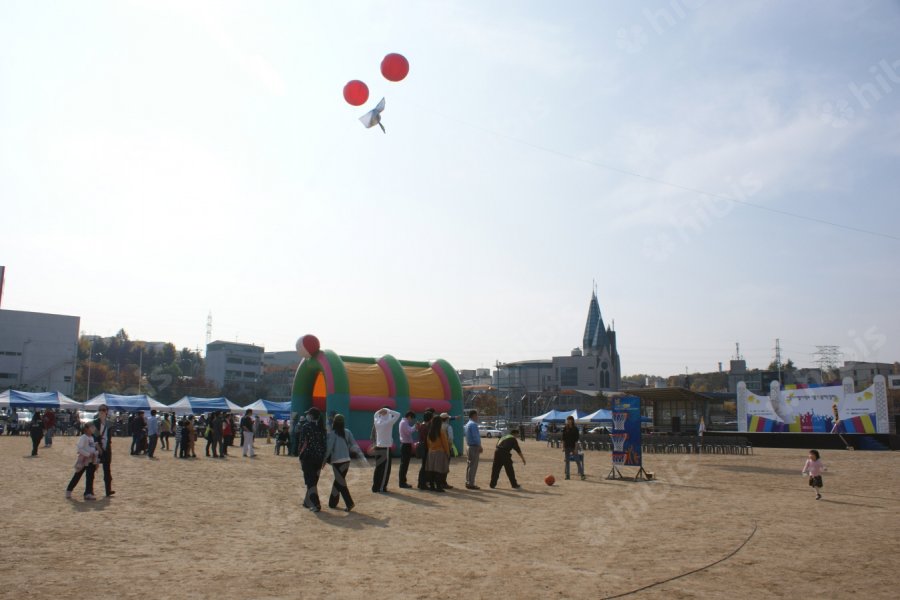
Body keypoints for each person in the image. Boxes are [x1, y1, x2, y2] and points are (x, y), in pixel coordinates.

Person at [324, 413, 362, 511]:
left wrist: (324, 461)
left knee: (340, 482)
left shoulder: (332, 433)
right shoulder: (348, 432)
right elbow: (353, 444)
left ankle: (349, 503)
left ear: (334, 422)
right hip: (346, 461)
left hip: (336, 461)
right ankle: (332, 503)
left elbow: (329, 449)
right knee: (338, 482)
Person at [298, 407, 327, 512]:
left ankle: (316, 504)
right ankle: (307, 502)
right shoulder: (322, 428)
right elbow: (324, 445)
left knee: (310, 482)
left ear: (311, 416)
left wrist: (300, 456)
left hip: (308, 457)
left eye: (308, 414)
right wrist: (323, 459)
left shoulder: (306, 427)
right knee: (313, 481)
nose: (307, 416)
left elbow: (302, 443)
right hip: (319, 458)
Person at [66, 421, 99, 500]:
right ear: (86, 429)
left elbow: (92, 447)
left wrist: (95, 453)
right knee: (77, 475)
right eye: (91, 428)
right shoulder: (83, 437)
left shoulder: (92, 438)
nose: (93, 430)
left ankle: (88, 493)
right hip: (83, 459)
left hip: (91, 460)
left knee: (90, 476)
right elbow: (79, 448)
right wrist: (88, 454)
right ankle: (69, 490)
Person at [370, 407, 400, 493]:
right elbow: (398, 414)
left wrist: (380, 411)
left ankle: (375, 487)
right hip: (385, 448)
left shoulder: (377, 422)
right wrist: (388, 410)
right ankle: (382, 487)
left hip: (378, 446)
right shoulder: (388, 422)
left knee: (378, 468)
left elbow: (375, 414)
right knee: (385, 469)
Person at [92, 405, 115, 497]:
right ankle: (90, 491)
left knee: (107, 470)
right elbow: (94, 437)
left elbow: (109, 436)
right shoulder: (93, 423)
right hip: (97, 449)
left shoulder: (109, 423)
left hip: (107, 449)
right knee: (91, 471)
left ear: (106, 411)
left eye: (103, 410)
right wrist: (98, 447)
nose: (101, 411)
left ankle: (108, 490)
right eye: (100, 410)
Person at [424, 413, 450, 492]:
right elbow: (445, 443)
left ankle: (432, 486)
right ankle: (438, 486)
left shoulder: (430, 431)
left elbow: (428, 442)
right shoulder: (441, 431)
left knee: (431, 470)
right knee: (439, 470)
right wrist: (447, 452)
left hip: (431, 452)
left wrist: (430, 449)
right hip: (439, 452)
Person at [562, 415, 585, 480]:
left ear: (572, 421)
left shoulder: (575, 429)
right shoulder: (565, 428)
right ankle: (567, 476)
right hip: (567, 447)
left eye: (570, 420)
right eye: (568, 420)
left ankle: (582, 475)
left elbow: (576, 440)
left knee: (577, 461)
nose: (568, 421)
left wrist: (575, 449)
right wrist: (563, 447)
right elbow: (563, 438)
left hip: (573, 447)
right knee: (567, 462)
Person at [464, 410, 483, 489]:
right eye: (476, 415)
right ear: (474, 415)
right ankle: (471, 483)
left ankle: (468, 481)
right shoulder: (473, 424)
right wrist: (479, 446)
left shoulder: (467, 424)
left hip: (469, 446)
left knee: (469, 465)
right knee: (473, 466)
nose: (477, 417)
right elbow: (476, 437)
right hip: (474, 447)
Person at [398, 411, 416, 489]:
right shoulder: (404, 423)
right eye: (411, 418)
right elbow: (409, 432)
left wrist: (414, 426)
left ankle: (403, 482)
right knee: (404, 465)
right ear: (409, 416)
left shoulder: (404, 422)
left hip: (405, 445)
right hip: (405, 445)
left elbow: (409, 431)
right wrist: (415, 426)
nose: (411, 420)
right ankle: (402, 482)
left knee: (404, 465)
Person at [416, 410, 434, 490]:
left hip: (424, 447)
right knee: (424, 466)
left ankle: (422, 483)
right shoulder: (425, 426)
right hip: (425, 447)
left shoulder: (423, 425)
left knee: (424, 466)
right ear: (430, 418)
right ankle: (422, 483)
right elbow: (427, 438)